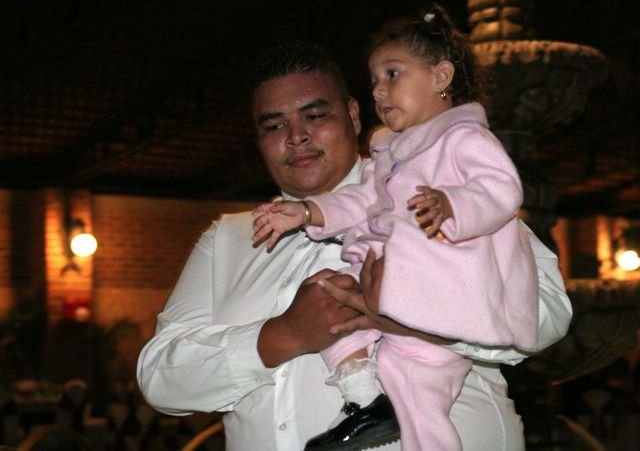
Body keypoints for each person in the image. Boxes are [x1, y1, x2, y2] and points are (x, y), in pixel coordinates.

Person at [136, 38, 572, 451]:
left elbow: (549, 311)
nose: (296, 136)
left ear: (353, 115)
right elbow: (159, 378)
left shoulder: (437, 184)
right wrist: (285, 335)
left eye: (315, 115)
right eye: (274, 125)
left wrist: (416, 319)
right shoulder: (227, 239)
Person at [252, 5, 538, 451]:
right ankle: (367, 402)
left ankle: (375, 409)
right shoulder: (391, 152)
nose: (379, 91)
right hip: (394, 283)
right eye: (374, 81)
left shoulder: (464, 138)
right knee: (334, 308)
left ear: (441, 77)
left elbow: (501, 189)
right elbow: (361, 200)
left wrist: (452, 204)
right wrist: (307, 213)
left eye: (392, 74)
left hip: (442, 286)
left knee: (418, 385)